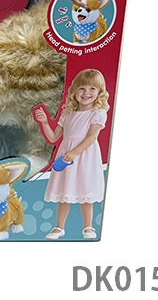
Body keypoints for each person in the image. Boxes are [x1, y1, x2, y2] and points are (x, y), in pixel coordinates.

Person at [34, 69, 109, 240]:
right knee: (64, 191)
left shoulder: (97, 113)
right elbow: (54, 138)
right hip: (66, 155)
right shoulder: (68, 113)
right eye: (82, 88)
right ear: (74, 90)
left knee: (86, 191)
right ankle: (59, 227)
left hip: (85, 156)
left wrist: (75, 152)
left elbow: (91, 137)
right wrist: (44, 122)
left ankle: (88, 227)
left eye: (92, 89)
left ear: (99, 92)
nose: (86, 93)